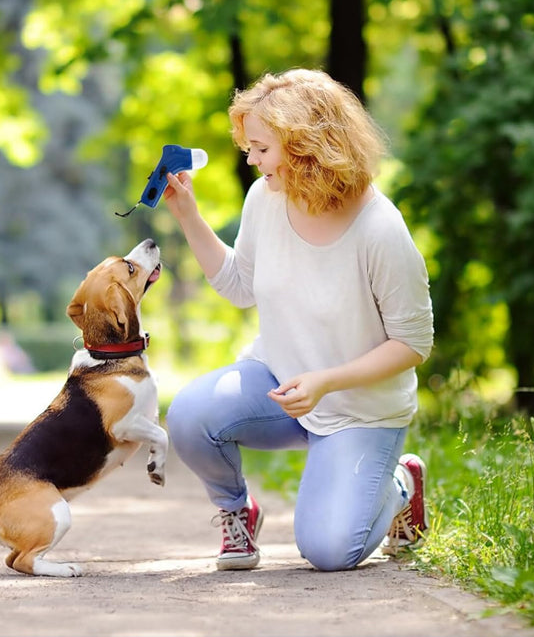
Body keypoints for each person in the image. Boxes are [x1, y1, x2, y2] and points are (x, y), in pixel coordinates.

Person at [162, 68, 434, 572]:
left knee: (330, 552)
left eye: (261, 148)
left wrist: (327, 381)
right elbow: (240, 286)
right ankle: (237, 513)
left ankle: (400, 484)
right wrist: (188, 217)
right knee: (189, 415)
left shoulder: (380, 229)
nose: (250, 158)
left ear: (306, 145)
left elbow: (413, 344)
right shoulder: (265, 199)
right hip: (279, 382)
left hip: (359, 408)